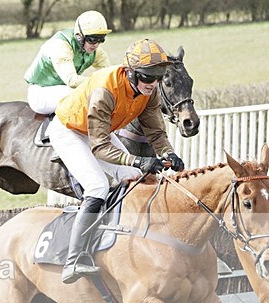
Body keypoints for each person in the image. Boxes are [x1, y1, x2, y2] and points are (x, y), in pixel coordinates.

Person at [46, 38, 185, 284]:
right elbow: (99, 147)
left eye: (158, 77)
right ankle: (74, 259)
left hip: (99, 129)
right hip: (70, 130)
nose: (153, 83)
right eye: (147, 77)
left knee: (133, 179)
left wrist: (168, 153)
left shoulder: (148, 91)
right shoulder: (105, 89)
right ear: (130, 72)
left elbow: (155, 131)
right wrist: (139, 161)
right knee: (98, 186)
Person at [24, 10, 112, 115]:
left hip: (63, 89)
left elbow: (109, 74)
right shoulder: (61, 46)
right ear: (79, 35)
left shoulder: (95, 50)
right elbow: (72, 81)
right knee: (84, 95)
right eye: (92, 39)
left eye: (101, 39)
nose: (96, 44)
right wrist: (99, 83)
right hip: (40, 92)